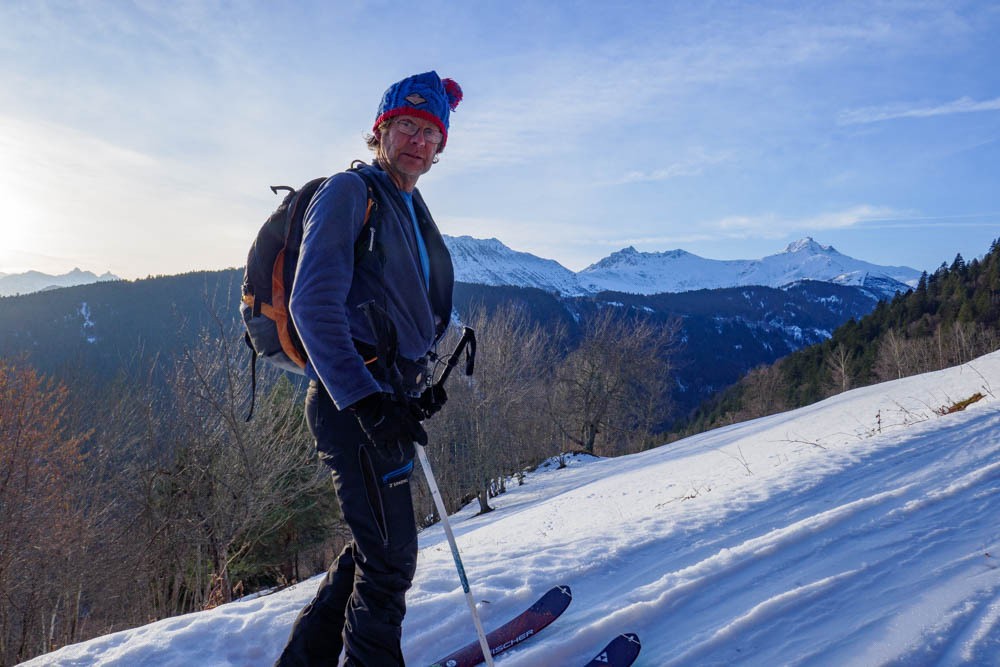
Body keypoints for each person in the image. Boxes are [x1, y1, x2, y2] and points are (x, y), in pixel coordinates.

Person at [275, 71, 461, 666]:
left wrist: (410, 389)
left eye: (430, 132)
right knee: (390, 562)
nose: (418, 141)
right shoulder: (350, 193)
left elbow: (393, 312)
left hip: (383, 401)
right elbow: (311, 304)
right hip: (350, 406)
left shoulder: (405, 205)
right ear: (380, 131)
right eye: (406, 125)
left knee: (374, 550)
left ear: (441, 145)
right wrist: (367, 400)